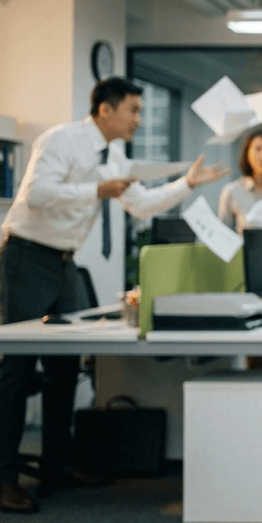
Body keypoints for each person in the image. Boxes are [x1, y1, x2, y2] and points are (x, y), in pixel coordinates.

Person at [0, 77, 229, 514]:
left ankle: (56, 465)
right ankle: (4, 477)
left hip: (64, 262)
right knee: (16, 367)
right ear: (106, 110)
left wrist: (187, 184)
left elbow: (141, 204)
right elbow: (35, 194)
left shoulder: (116, 155)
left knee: (67, 366)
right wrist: (97, 190)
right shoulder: (61, 140)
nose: (139, 120)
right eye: (134, 110)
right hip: (26, 256)